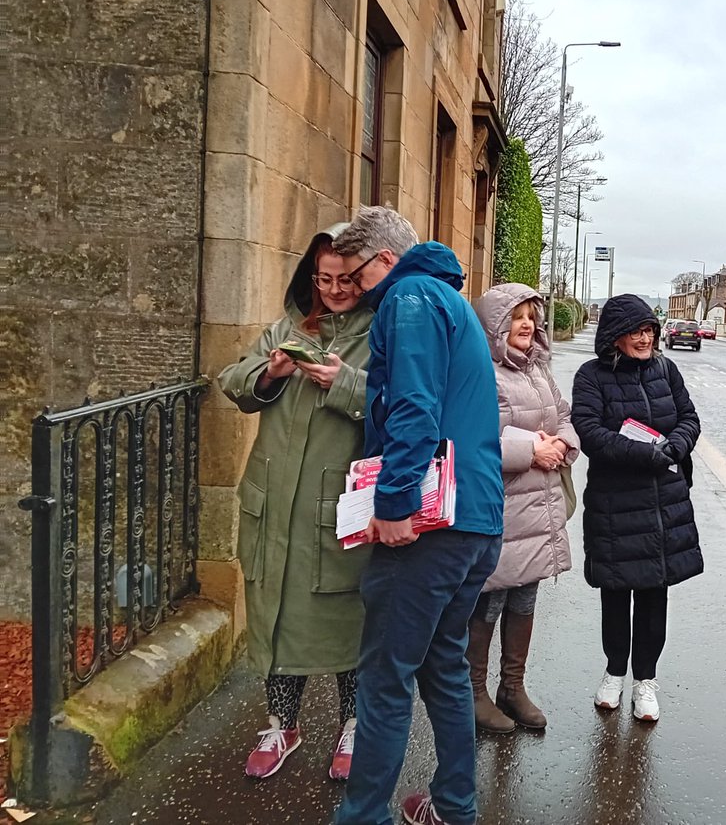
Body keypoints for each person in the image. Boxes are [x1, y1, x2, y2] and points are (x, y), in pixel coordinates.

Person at [331, 207, 504, 825]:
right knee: (443, 668)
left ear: (384, 260)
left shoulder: (409, 298)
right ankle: (455, 806)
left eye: (354, 274)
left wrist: (395, 502)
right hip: (475, 521)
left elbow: (413, 409)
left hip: (432, 529)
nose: (350, 290)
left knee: (384, 677)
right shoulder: (446, 301)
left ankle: (362, 816)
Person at [217, 223, 373, 781]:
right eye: (323, 278)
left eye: (346, 279)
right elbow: (231, 381)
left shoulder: (381, 334)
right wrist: (272, 370)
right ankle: (282, 722)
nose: (334, 290)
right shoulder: (287, 327)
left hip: (335, 508)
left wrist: (347, 384)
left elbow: (403, 403)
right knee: (277, 613)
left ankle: (355, 724)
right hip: (274, 503)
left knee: (343, 616)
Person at [571, 294, 702, 723]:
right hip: (615, 502)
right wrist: (643, 454)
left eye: (649, 330)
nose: (644, 338)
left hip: (664, 501)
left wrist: (675, 446)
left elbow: (689, 417)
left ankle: (646, 680)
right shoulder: (591, 376)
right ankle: (614, 672)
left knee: (652, 594)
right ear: (615, 336)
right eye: (635, 331)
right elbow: (590, 432)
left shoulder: (667, 370)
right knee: (615, 591)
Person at [468, 284, 580, 734]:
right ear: (496, 326)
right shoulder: (483, 372)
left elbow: (566, 417)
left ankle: (512, 688)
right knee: (489, 599)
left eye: (532, 316)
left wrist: (561, 445)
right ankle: (474, 693)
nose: (527, 325)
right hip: (502, 506)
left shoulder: (538, 370)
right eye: (516, 317)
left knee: (525, 596)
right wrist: (533, 450)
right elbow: (478, 435)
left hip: (539, 504)